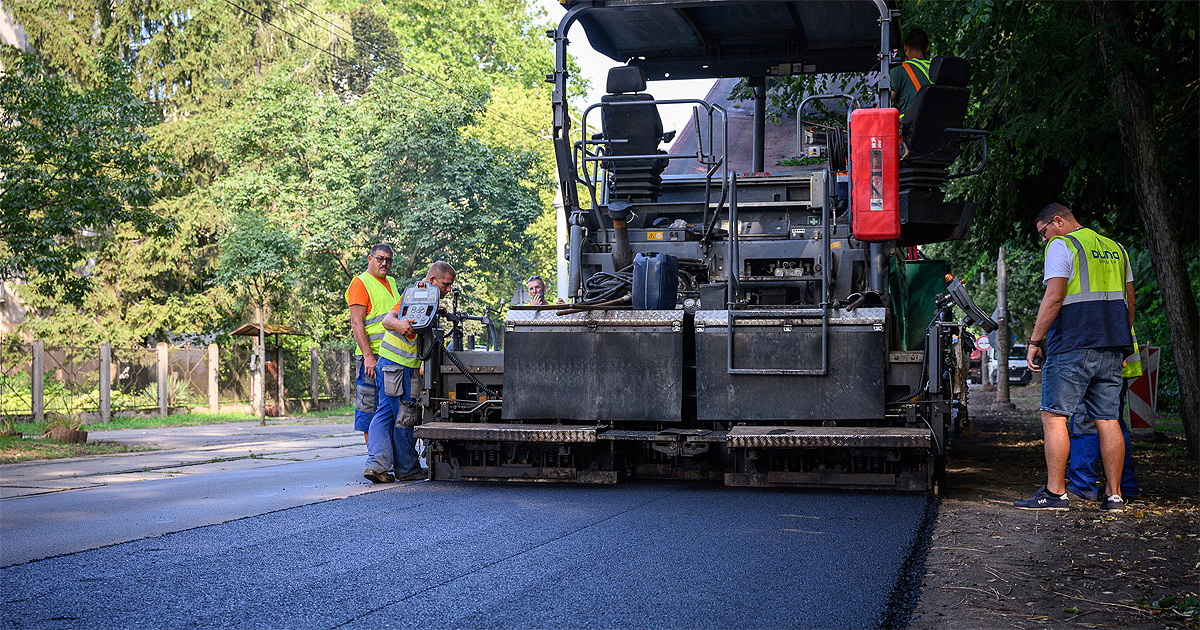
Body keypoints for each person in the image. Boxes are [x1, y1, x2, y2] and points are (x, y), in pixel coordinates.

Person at [1017, 203, 1135, 512]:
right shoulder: (1116, 248)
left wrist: (1034, 340)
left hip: (1073, 344)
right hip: (1112, 346)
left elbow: (1054, 296)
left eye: (1044, 233)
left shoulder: (1062, 244)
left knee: (1055, 416)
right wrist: (1123, 343)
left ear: (1058, 221)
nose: (1044, 240)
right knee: (1108, 420)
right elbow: (1129, 302)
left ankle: (1055, 493)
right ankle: (1114, 496)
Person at [363, 261, 456, 483]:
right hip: (400, 366)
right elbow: (388, 319)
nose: (448, 289)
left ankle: (376, 465)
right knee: (405, 417)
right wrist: (398, 325)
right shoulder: (418, 293)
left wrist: (437, 310)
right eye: (446, 284)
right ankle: (406, 468)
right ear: (432, 280)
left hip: (388, 363)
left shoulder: (425, 295)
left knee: (384, 415)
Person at [1067, 330, 1143, 500]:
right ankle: (1125, 486)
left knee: (1087, 420)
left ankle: (1082, 484)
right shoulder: (1118, 304)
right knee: (1114, 424)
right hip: (1118, 357)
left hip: (1096, 357)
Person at [345, 244, 399, 446]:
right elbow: (356, 323)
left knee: (388, 411)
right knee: (370, 409)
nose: (385, 263)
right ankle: (374, 458)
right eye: (380, 258)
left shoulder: (391, 282)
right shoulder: (361, 283)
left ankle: (387, 458)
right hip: (372, 359)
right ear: (370, 259)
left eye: (389, 260)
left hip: (391, 357)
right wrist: (368, 356)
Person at [889, 28, 932, 120]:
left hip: (910, 129)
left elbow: (884, 103)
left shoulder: (899, 71)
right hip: (936, 124)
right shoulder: (937, 69)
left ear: (905, 47)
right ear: (927, 49)